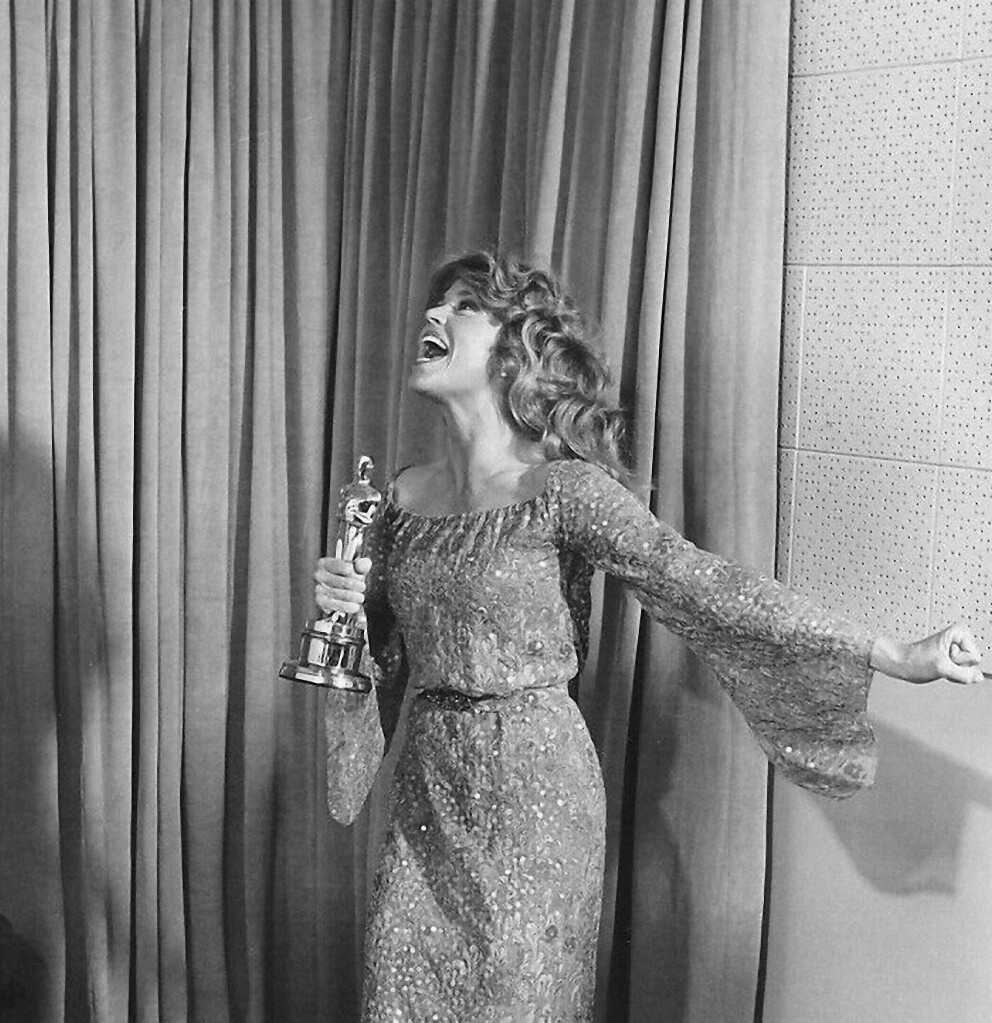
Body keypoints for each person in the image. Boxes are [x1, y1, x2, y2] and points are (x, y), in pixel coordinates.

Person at [314, 252, 983, 1022]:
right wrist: (345, 617)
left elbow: (703, 583)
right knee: (400, 996)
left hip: (533, 795)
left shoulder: (564, 491)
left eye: (463, 306)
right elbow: (382, 660)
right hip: (428, 793)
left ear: (513, 349)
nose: (433, 315)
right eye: (438, 303)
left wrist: (891, 651)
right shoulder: (399, 496)